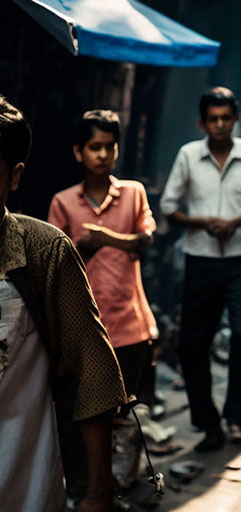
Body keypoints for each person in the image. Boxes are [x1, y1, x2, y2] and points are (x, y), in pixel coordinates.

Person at [0, 98, 126, 512]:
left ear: (14, 177)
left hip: (21, 501)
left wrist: (98, 495)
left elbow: (93, 373)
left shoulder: (43, 251)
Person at [160, 86, 241, 450]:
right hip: (201, 260)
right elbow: (168, 205)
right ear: (202, 122)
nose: (220, 125)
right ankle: (207, 421)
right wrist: (203, 222)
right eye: (213, 119)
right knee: (193, 345)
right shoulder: (188, 156)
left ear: (235, 119)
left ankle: (236, 419)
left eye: (226, 118)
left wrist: (238, 220)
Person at [48, 110, 158, 411]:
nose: (103, 154)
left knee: (127, 412)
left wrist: (107, 239)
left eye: (110, 146)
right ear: (78, 153)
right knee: (88, 411)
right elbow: (55, 267)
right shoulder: (64, 202)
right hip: (83, 324)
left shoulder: (134, 192)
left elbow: (146, 239)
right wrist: (83, 249)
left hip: (130, 322)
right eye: (95, 147)